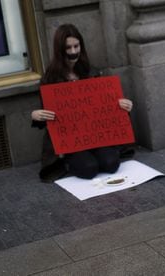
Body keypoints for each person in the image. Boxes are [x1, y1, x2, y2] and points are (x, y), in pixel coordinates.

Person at [31, 24, 134, 182]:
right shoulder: (50, 78)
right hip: (71, 141)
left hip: (96, 135)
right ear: (60, 50)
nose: (73, 52)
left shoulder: (90, 71)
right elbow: (46, 114)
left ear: (81, 46)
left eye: (76, 46)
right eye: (68, 48)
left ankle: (95, 155)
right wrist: (36, 115)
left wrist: (123, 105)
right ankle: (68, 161)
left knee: (111, 164)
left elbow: (105, 105)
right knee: (88, 169)